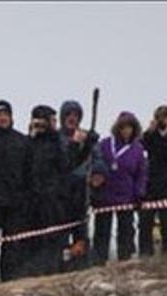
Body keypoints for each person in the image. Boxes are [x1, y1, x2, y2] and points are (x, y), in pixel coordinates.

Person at [0, 100, 30, 283]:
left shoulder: (21, 140)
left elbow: (27, 170)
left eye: (6, 115)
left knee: (11, 244)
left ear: (11, 117)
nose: (3, 118)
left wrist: (24, 195)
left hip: (15, 202)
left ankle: (8, 278)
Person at [91, 111, 147, 263]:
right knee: (102, 230)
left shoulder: (137, 149)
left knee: (126, 229)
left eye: (130, 127)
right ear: (117, 128)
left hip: (126, 195)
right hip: (105, 195)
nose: (126, 130)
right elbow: (95, 164)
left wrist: (139, 193)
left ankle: (125, 258)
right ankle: (98, 260)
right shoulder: (105, 144)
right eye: (123, 127)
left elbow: (141, 173)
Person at [23, 104, 68, 277]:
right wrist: (31, 137)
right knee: (34, 238)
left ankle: (54, 268)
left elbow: (65, 165)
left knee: (54, 237)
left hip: (53, 198)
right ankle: (34, 271)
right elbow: (25, 168)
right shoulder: (29, 142)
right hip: (33, 199)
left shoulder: (57, 141)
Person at [59, 99, 98, 268]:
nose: (72, 118)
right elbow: (65, 161)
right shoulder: (57, 138)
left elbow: (98, 160)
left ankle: (81, 264)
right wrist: (77, 144)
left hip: (81, 192)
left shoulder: (85, 136)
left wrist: (90, 144)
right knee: (61, 233)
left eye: (76, 115)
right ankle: (62, 265)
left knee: (81, 233)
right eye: (69, 115)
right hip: (61, 192)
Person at [140, 105, 167, 256]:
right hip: (150, 184)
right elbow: (140, 146)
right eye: (163, 119)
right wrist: (149, 132)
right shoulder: (150, 136)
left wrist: (166, 137)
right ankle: (145, 253)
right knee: (145, 222)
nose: (166, 122)